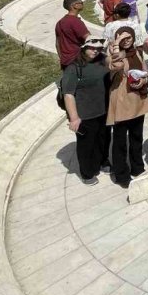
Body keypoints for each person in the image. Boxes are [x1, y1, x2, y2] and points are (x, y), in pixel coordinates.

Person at [61, 37, 111, 184]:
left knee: (104, 139)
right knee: (86, 145)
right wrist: (74, 118)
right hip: (85, 115)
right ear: (83, 48)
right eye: (91, 48)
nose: (95, 51)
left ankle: (103, 161)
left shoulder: (102, 59)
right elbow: (68, 94)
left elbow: (115, 61)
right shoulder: (73, 68)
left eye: (98, 48)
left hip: (104, 110)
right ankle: (87, 173)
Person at [106, 26, 148, 188]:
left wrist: (143, 81)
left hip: (138, 99)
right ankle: (121, 174)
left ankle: (137, 167)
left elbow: (146, 72)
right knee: (119, 141)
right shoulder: (111, 54)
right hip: (122, 101)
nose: (126, 41)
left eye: (128, 38)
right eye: (122, 38)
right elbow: (115, 65)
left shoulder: (137, 52)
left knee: (136, 137)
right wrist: (116, 43)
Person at [55, 0, 89, 70]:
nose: (83, 4)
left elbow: (57, 44)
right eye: (81, 2)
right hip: (78, 60)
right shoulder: (75, 21)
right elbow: (89, 39)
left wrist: (62, 59)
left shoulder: (60, 22)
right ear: (75, 5)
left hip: (65, 61)